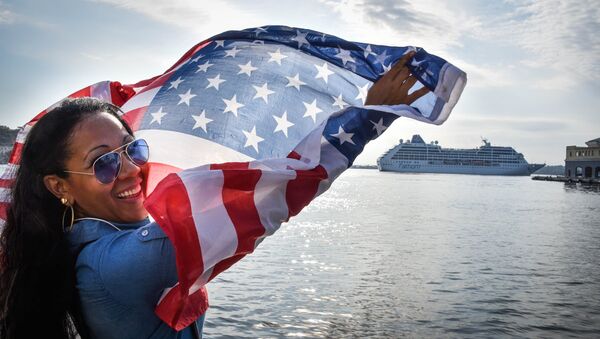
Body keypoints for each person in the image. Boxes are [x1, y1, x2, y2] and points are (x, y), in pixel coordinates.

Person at [0, 51, 427, 338]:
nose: (131, 169)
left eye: (134, 149)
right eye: (104, 163)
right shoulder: (118, 265)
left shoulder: (73, 242)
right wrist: (367, 115)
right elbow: (260, 196)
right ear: (60, 186)